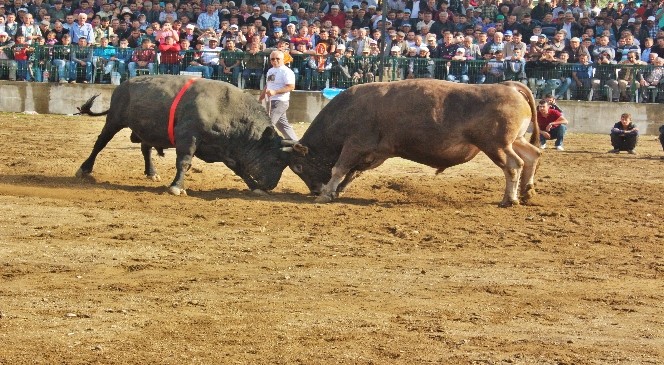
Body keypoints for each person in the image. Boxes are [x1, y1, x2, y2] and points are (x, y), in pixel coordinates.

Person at [259, 50, 298, 141]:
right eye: (272, 59)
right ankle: (296, 143)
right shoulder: (270, 71)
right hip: (271, 101)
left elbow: (291, 86)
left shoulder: (287, 71)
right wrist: (261, 98)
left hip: (281, 101)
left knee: (268, 124)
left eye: (278, 59)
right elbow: (268, 85)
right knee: (283, 125)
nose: (275, 61)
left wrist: (275, 92)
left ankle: (264, 144)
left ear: (283, 59)